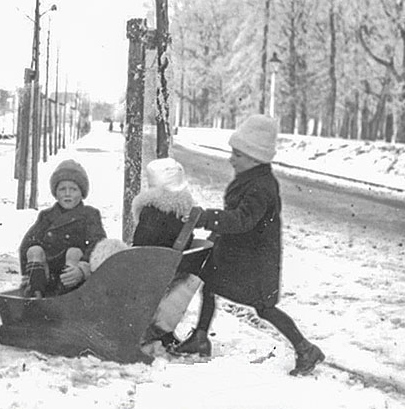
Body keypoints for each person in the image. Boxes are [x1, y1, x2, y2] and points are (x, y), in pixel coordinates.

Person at [173, 114, 325, 376]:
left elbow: (243, 220)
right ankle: (200, 337)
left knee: (264, 308)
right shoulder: (253, 179)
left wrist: (209, 218)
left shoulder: (260, 187)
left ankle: (305, 348)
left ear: (256, 159)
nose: (231, 159)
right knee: (209, 284)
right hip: (239, 255)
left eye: (238, 155)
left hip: (255, 260)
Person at [131, 157, 202, 349]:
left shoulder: (152, 212)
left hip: (149, 272)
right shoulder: (181, 213)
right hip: (169, 270)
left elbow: (140, 248)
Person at [18, 159, 107, 298]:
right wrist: (28, 271)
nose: (67, 194)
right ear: (56, 193)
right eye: (62, 189)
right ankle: (35, 292)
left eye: (73, 189)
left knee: (74, 252)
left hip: (72, 273)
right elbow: (27, 243)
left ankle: (67, 296)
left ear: (81, 192)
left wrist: (83, 269)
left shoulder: (89, 215)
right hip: (48, 273)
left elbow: (98, 243)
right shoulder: (46, 216)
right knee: (34, 249)